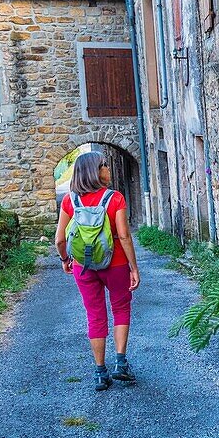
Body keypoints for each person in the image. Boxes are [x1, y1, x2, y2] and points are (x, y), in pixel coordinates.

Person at [54, 151, 141, 390]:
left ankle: (100, 372)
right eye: (104, 165)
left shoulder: (70, 201)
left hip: (84, 265)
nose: (108, 169)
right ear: (95, 170)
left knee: (95, 314)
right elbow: (123, 235)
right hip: (116, 262)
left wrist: (65, 259)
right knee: (121, 307)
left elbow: (60, 239)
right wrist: (134, 267)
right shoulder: (114, 199)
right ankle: (120, 363)